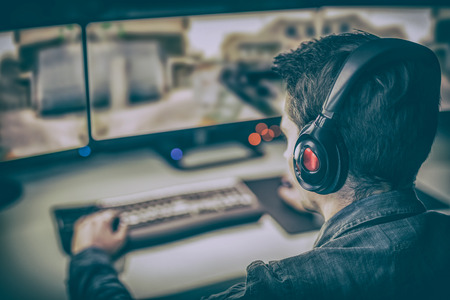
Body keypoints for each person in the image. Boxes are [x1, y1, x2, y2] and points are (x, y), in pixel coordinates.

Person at [68, 32, 450, 299]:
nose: (285, 156)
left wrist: (91, 260)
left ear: (312, 160)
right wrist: (331, 203)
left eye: (288, 138)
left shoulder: (284, 288)